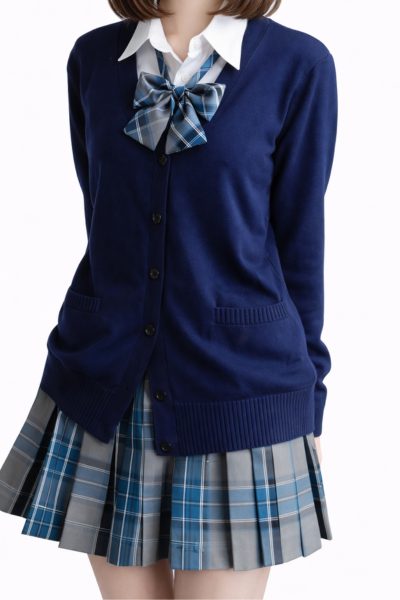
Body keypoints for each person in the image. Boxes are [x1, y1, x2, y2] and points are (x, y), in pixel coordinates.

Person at [0, 0, 338, 598]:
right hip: (103, 390)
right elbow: (102, 216)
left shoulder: (298, 64)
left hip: (239, 391)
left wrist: (311, 396)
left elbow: (300, 241)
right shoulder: (93, 58)